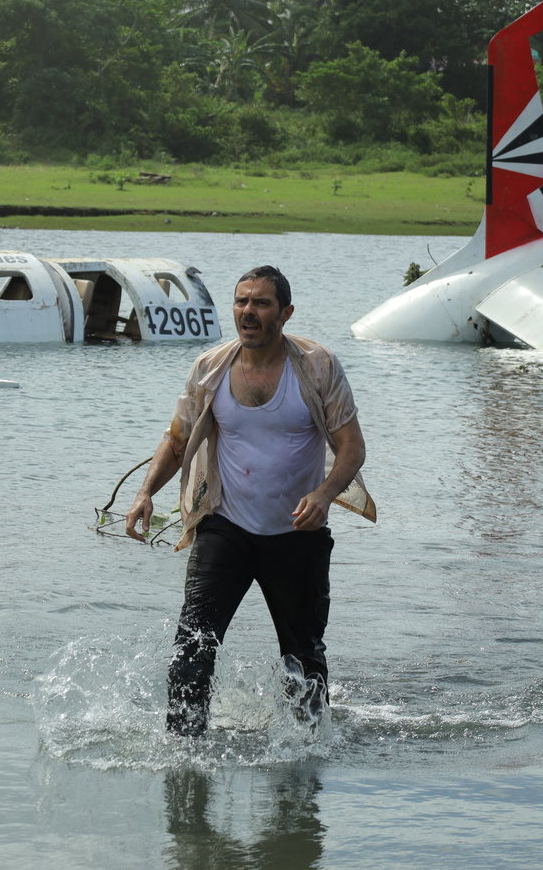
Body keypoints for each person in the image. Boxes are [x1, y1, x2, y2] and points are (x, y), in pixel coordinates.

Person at [125, 265, 374, 736]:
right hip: (225, 528)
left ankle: (306, 750)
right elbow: (178, 440)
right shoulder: (210, 368)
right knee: (193, 644)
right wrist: (144, 495)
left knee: (303, 657)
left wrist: (323, 495)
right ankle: (183, 747)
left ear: (285, 313)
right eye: (241, 302)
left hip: (297, 533)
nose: (248, 312)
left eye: (261, 303)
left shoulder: (317, 366)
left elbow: (352, 447)